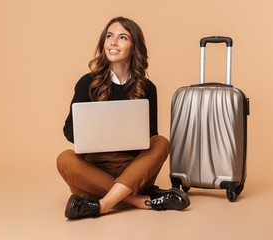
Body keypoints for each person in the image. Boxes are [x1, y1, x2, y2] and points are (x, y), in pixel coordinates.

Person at [56, 16, 190, 219]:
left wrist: (129, 136)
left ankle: (100, 205)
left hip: (133, 168)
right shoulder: (87, 83)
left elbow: (150, 134)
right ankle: (139, 199)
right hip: (95, 169)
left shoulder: (147, 87)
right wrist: (91, 136)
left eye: (122, 37)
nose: (113, 42)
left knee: (161, 142)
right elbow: (68, 128)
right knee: (64, 159)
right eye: (109, 36)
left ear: (134, 46)